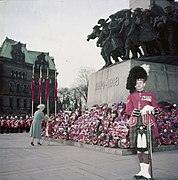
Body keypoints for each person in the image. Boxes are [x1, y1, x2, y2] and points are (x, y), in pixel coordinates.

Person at [125, 65, 159, 180]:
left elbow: (156, 109)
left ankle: (147, 172)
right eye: (137, 83)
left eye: (141, 82)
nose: (139, 85)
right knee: (139, 148)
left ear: (144, 83)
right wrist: (137, 112)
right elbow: (128, 110)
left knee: (146, 148)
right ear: (134, 84)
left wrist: (150, 109)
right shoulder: (131, 96)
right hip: (136, 123)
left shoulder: (150, 95)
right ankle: (142, 171)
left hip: (147, 123)